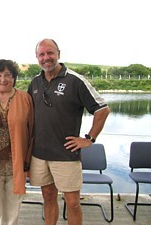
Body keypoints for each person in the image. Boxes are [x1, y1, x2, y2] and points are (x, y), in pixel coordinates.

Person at [27, 39, 110, 225]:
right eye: (42, 54)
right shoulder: (34, 82)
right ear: (37, 58)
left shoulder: (75, 80)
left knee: (72, 202)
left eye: (50, 53)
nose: (46, 58)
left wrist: (89, 138)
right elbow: (25, 114)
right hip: (39, 155)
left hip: (66, 154)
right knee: (48, 197)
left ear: (58, 53)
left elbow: (102, 109)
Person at [0, 59, 34, 225]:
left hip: (16, 164)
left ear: (14, 78)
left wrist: (28, 162)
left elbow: (32, 131)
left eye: (8, 75)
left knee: (12, 207)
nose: (3, 79)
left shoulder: (25, 99)